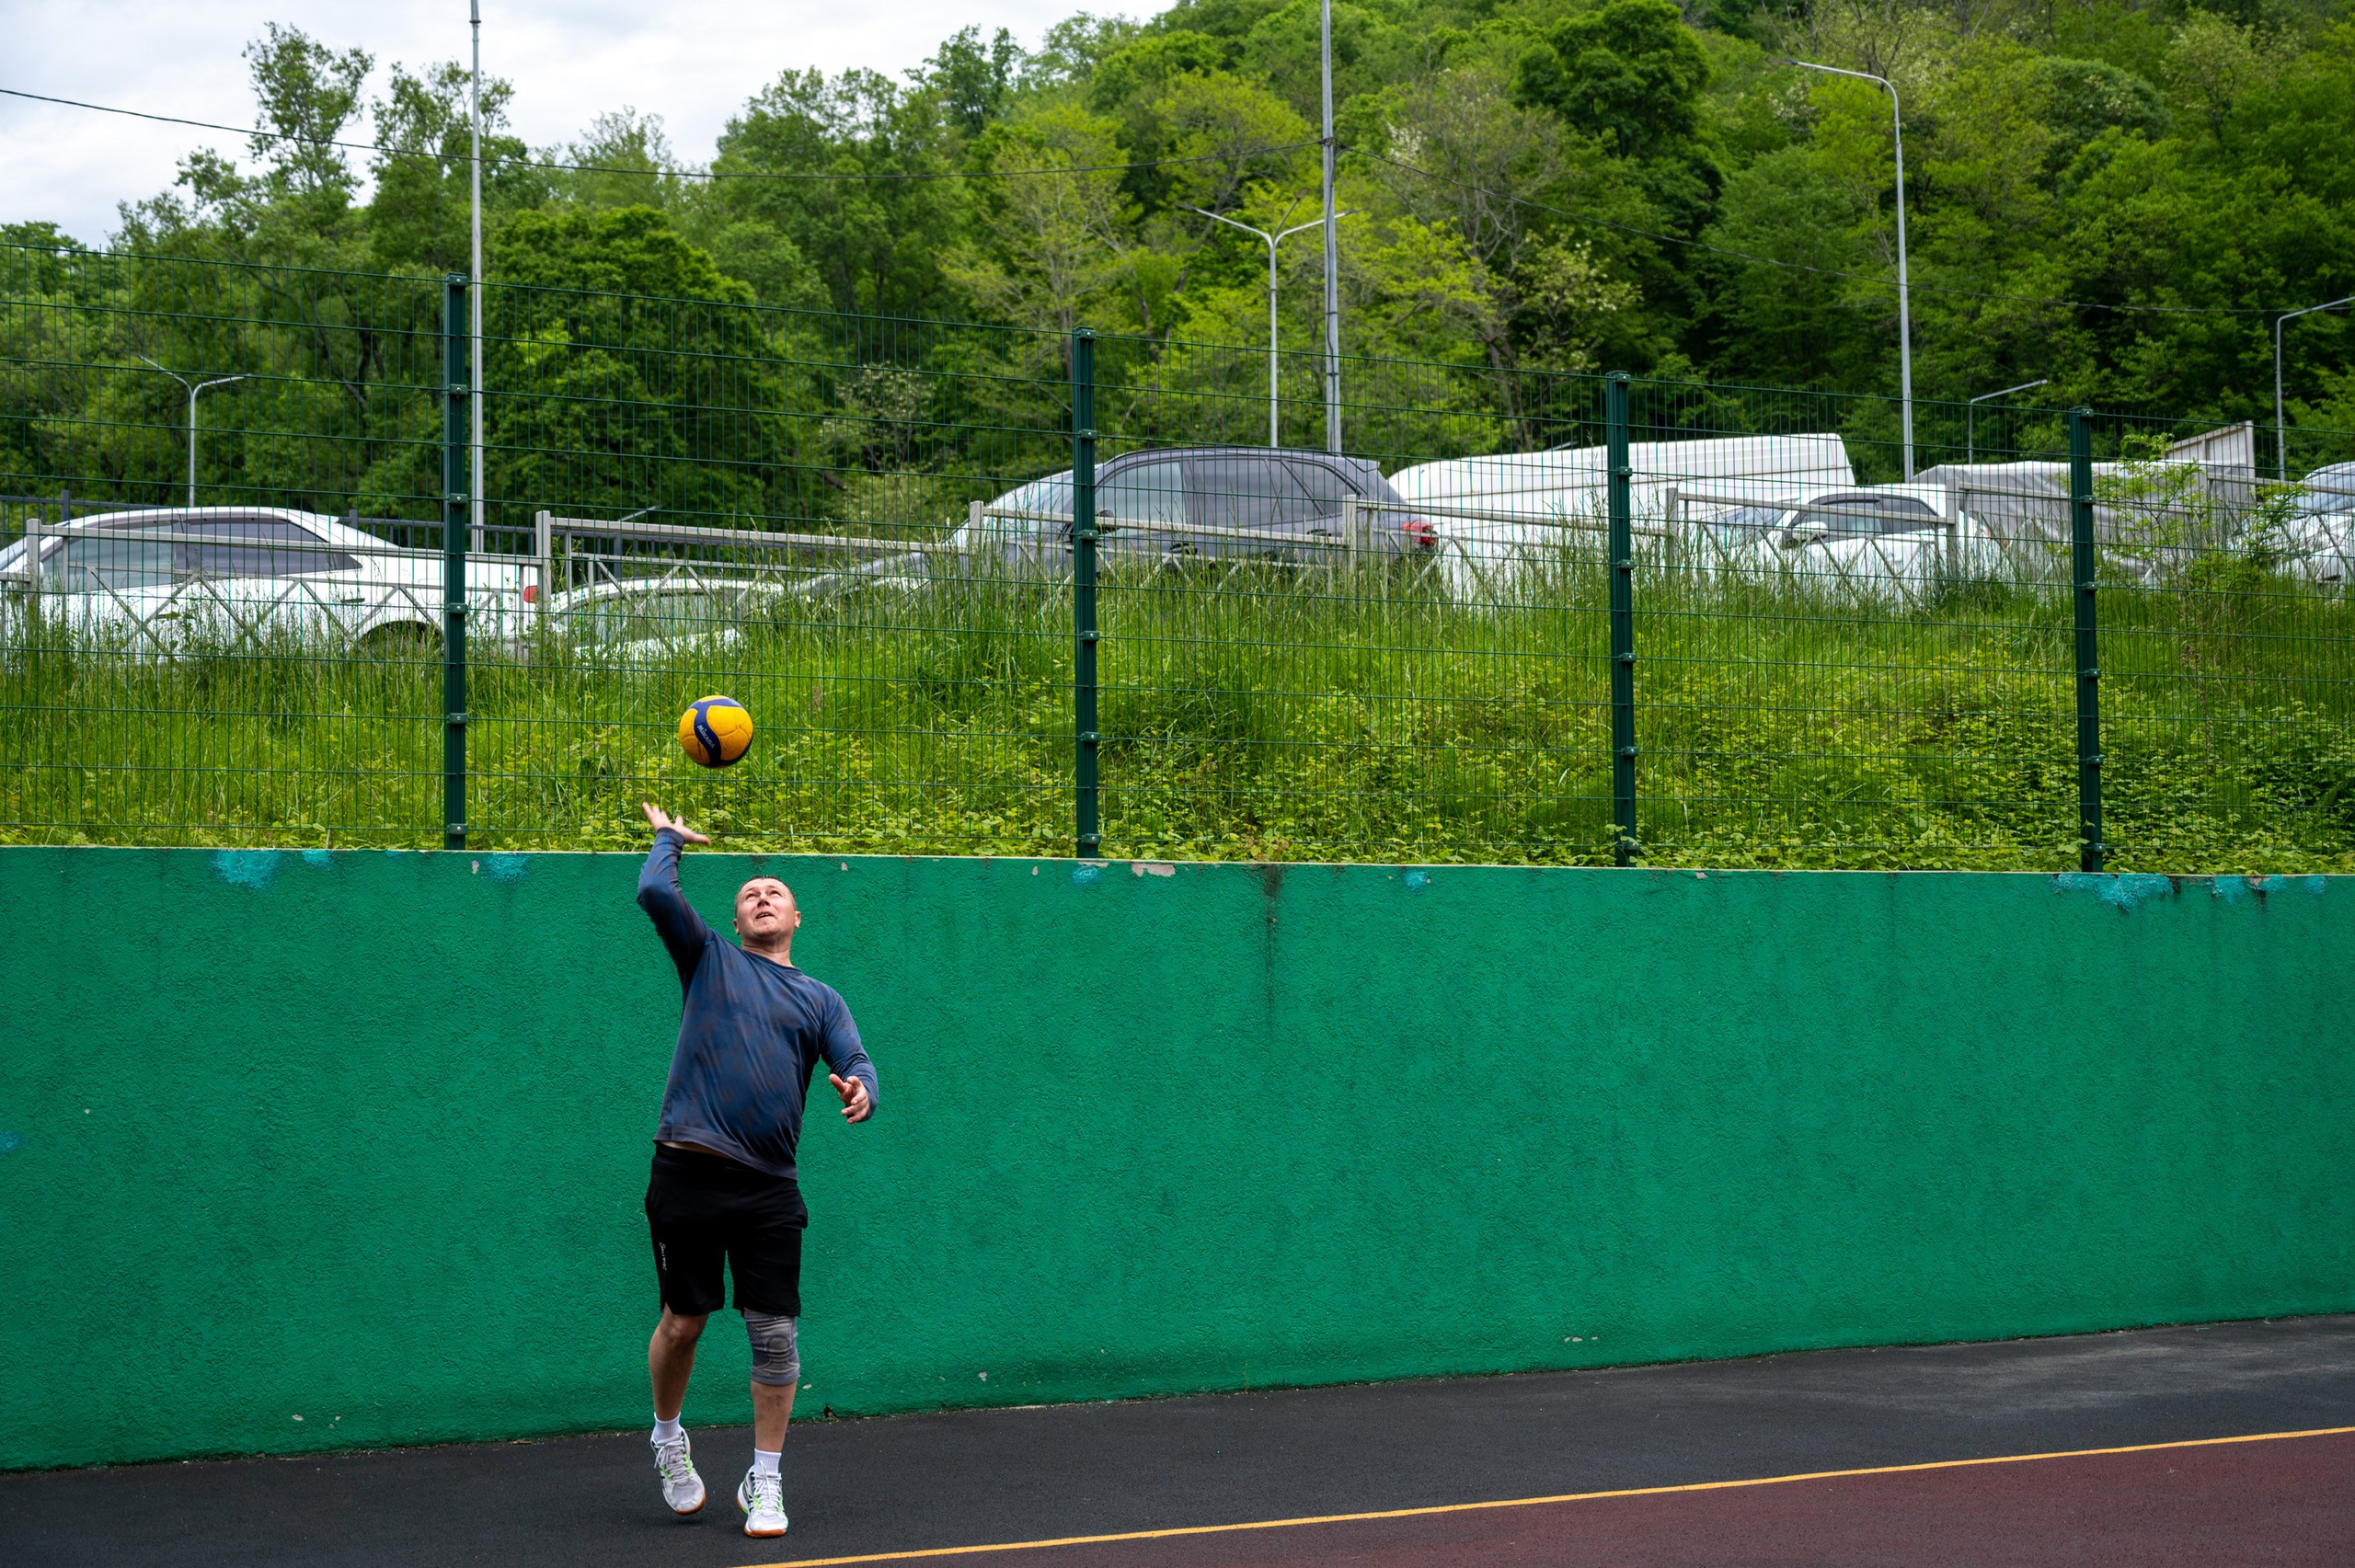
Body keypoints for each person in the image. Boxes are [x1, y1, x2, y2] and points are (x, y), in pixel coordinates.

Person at [633, 800, 878, 1539]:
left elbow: (857, 1060)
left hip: (770, 1185)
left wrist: (863, 1087)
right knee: (684, 1323)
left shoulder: (820, 998)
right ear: (736, 922)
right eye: (749, 894)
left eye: (775, 892)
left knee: (776, 1336)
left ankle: (765, 1480)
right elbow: (653, 893)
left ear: (796, 917)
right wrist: (668, 840)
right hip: (688, 1169)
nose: (762, 897)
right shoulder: (709, 958)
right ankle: (668, 1438)